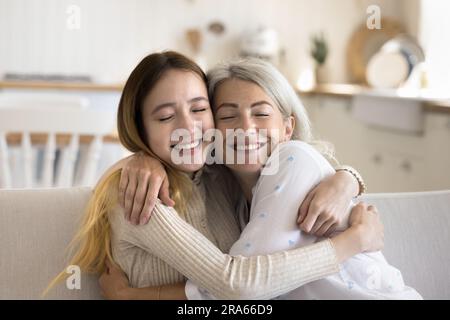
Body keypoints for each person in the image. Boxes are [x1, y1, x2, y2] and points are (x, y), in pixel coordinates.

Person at [45, 51, 383, 300]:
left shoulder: (220, 178)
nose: (188, 128)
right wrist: (352, 242)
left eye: (198, 109)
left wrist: (347, 177)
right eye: (164, 117)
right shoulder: (140, 194)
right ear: (140, 129)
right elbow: (236, 286)